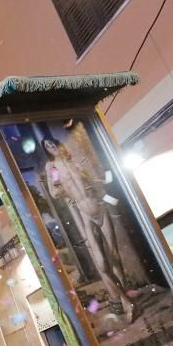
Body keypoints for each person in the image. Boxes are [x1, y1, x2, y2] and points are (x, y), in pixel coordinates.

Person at [43, 136, 136, 323]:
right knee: (101, 264)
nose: (52, 147)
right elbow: (54, 193)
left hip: (99, 207)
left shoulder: (73, 161)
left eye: (53, 143)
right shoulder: (52, 167)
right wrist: (58, 183)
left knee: (114, 257)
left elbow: (96, 182)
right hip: (85, 214)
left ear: (57, 144)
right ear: (47, 150)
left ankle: (125, 301)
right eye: (48, 146)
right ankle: (125, 302)